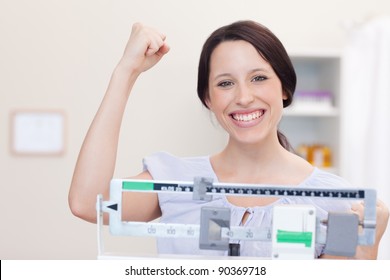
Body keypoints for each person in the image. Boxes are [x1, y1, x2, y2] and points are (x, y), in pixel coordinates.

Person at [69, 20, 389, 258]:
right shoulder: (174, 183)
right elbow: (87, 203)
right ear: (208, 99)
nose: (244, 97)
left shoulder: (337, 202)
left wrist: (365, 247)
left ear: (285, 89)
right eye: (225, 83)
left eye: (259, 78)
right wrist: (125, 72)